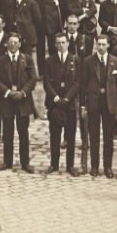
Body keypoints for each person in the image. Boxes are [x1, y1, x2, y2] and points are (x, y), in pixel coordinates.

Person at [0, 32, 36, 172]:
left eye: (16, 42)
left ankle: (25, 163)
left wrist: (23, 92)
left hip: (23, 101)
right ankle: (7, 162)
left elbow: (33, 78)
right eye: (10, 42)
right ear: (6, 44)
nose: (13, 45)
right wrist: (8, 92)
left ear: (20, 44)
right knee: (8, 133)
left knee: (23, 133)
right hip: (7, 101)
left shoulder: (27, 59)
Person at [80, 35, 117, 178]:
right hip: (93, 103)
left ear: (108, 45)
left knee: (108, 138)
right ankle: (94, 166)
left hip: (109, 104)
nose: (101, 47)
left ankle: (108, 167)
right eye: (98, 44)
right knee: (94, 137)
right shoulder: (88, 62)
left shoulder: (116, 62)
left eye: (104, 44)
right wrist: (82, 105)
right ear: (95, 45)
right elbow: (83, 85)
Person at [43, 32, 79, 174]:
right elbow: (46, 82)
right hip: (55, 103)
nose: (61, 45)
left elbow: (77, 83)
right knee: (55, 135)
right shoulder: (49, 61)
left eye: (63, 42)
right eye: (58, 43)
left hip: (69, 104)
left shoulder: (75, 60)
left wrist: (68, 98)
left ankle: (70, 165)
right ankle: (54, 164)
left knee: (70, 135)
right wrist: (56, 97)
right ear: (55, 44)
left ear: (68, 44)